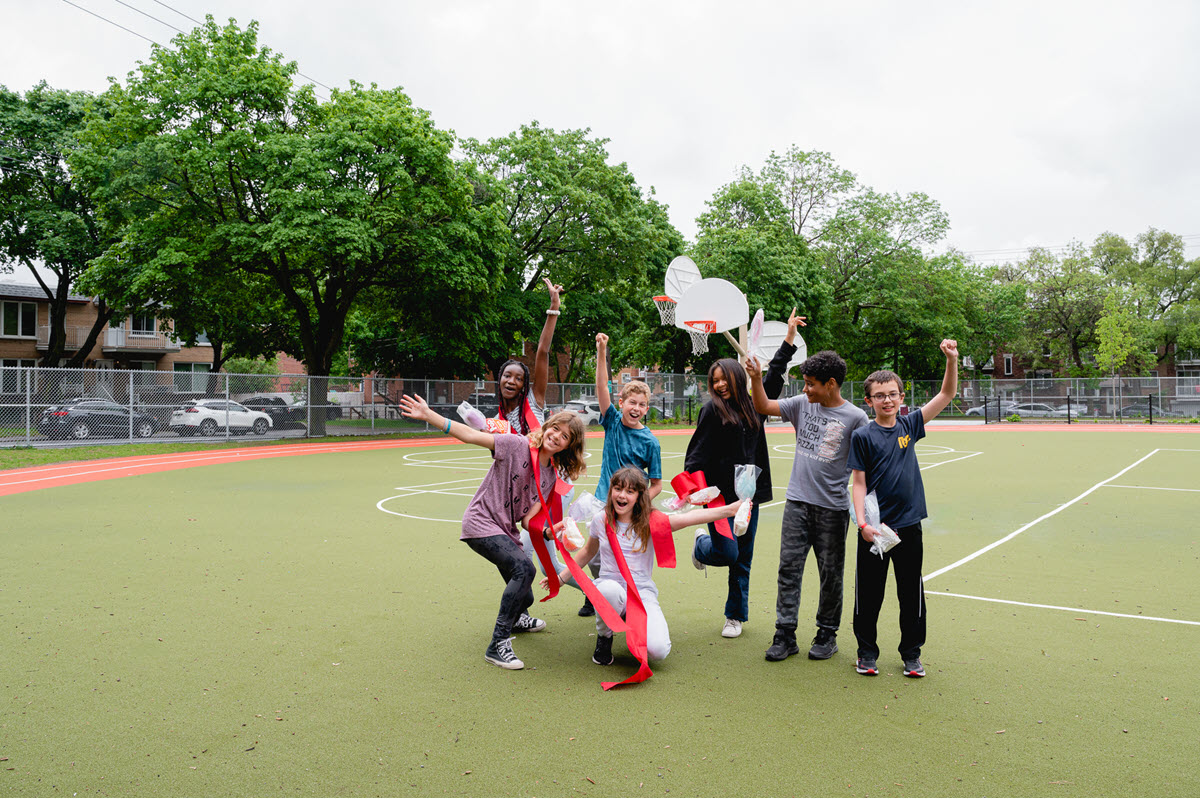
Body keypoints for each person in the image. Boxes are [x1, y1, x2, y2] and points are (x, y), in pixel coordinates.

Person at [398, 393, 587, 671]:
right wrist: (431, 416)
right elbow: (471, 435)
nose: (557, 436)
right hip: (481, 521)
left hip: (506, 531)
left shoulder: (549, 477)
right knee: (525, 570)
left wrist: (550, 532)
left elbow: (527, 522)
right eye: (555, 428)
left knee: (526, 594)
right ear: (546, 428)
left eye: (565, 436)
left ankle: (519, 616)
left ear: (569, 446)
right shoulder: (516, 444)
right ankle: (497, 644)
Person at [543, 467, 744, 668]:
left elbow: (687, 519)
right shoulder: (601, 520)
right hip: (610, 586)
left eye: (630, 491)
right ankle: (604, 637)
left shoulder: (651, 521)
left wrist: (730, 510)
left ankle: (631, 620)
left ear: (639, 496)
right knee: (607, 591)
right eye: (618, 489)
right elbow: (587, 552)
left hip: (641, 593)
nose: (622, 495)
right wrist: (559, 578)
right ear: (611, 491)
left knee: (658, 651)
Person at [746, 344, 868, 662]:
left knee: (831, 574)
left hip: (833, 509)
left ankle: (827, 634)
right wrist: (757, 378)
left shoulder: (856, 418)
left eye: (811, 383)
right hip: (797, 504)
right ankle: (784, 635)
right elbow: (762, 405)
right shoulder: (802, 404)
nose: (806, 389)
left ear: (831, 384)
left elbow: (865, 468)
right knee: (788, 570)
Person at [848, 339, 958, 679]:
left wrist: (951, 360)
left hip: (909, 526)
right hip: (876, 529)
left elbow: (946, 395)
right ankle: (866, 652)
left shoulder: (909, 426)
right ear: (868, 401)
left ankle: (911, 654)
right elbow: (859, 484)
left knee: (911, 593)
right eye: (879, 395)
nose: (887, 400)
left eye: (892, 394)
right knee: (869, 594)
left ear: (901, 398)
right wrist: (863, 524)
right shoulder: (863, 436)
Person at [573, 332, 664, 617]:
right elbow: (602, 385)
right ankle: (597, 594)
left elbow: (658, 483)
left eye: (641, 405)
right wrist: (602, 351)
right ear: (621, 402)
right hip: (603, 502)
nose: (635, 408)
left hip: (630, 510)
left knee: (625, 558)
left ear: (646, 409)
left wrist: (639, 503)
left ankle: (626, 600)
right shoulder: (612, 421)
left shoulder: (651, 442)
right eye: (630, 402)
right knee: (596, 554)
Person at [685, 358, 773, 639]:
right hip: (720, 499)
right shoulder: (712, 410)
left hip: (748, 499)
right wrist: (695, 488)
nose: (720, 385)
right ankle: (701, 547)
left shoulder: (755, 406)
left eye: (724, 378)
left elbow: (775, 378)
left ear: (738, 377)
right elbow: (695, 455)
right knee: (727, 552)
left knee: (742, 559)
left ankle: (734, 616)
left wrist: (788, 341)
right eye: (715, 380)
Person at [494, 276, 563, 434]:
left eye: (519, 379)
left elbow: (542, 351)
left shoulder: (533, 401)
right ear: (500, 379)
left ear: (524, 385)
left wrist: (554, 307)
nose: (511, 381)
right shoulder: (497, 421)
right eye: (507, 376)